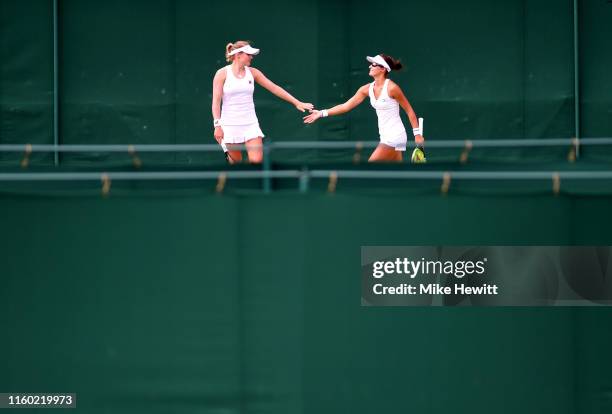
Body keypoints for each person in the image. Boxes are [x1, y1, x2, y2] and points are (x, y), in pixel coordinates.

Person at [304, 54, 425, 162]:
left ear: (382, 69)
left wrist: (417, 135)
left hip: (394, 136)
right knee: (395, 176)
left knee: (369, 168)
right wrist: (321, 113)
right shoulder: (366, 89)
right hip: (385, 136)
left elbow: (409, 110)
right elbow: (346, 106)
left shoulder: (392, 88)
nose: (370, 66)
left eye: (373, 64)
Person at [212, 41, 313, 164]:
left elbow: (274, 88)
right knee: (236, 165)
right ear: (238, 55)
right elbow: (216, 102)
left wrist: (297, 102)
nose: (251, 57)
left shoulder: (253, 72)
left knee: (256, 162)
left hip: (250, 124)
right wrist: (217, 125)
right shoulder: (221, 74)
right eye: (248, 54)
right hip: (229, 124)